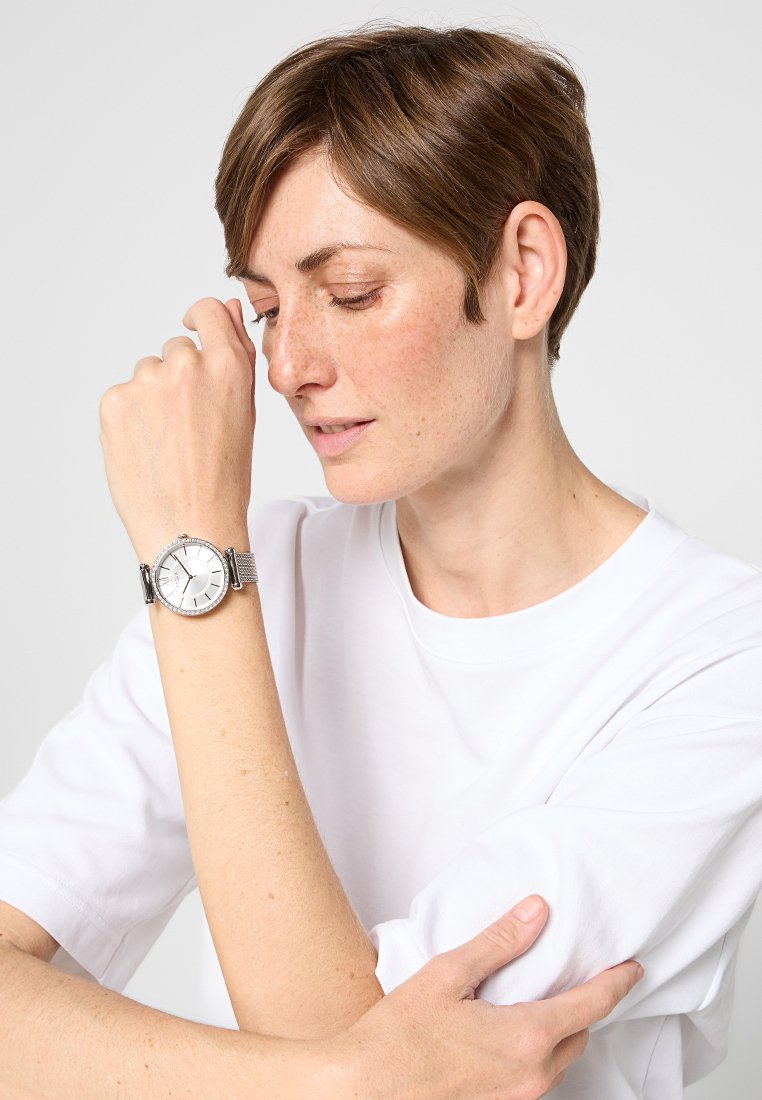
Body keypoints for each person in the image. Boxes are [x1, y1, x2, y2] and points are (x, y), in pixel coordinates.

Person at [1, 18, 761, 1099]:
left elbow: (358, 1046)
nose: (290, 365)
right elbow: (371, 1073)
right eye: (266, 309)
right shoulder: (250, 573)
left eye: (351, 291)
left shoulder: (719, 657)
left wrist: (196, 562)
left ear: (523, 273)